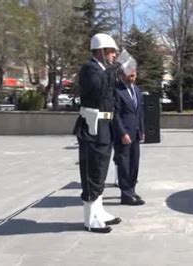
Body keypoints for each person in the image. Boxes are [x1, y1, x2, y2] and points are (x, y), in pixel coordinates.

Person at [72, 33, 122, 234]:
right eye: (111, 52)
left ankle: (99, 211)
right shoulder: (89, 69)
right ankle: (90, 219)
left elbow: (110, 93)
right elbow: (98, 87)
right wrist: (115, 69)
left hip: (105, 125)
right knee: (92, 171)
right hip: (92, 126)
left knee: (101, 169)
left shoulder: (104, 70)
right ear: (100, 52)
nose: (114, 56)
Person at [113, 68, 145, 206]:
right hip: (124, 134)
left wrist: (142, 130)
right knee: (124, 164)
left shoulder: (136, 90)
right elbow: (115, 115)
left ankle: (132, 190)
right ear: (122, 75)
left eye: (134, 75)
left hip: (135, 133)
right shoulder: (116, 90)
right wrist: (122, 133)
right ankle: (125, 194)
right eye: (130, 75)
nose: (132, 78)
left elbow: (140, 112)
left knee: (134, 163)